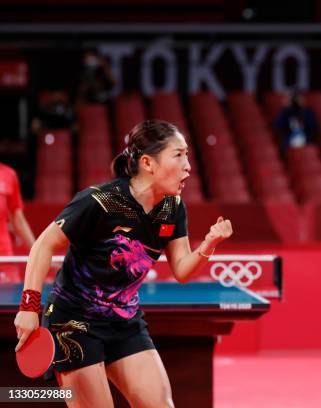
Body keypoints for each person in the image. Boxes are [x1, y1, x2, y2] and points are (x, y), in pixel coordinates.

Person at [14, 120, 232, 407]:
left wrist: (209, 244)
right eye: (178, 155)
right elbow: (43, 245)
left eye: (187, 155)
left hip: (124, 322)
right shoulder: (101, 201)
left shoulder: (172, 207)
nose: (188, 165)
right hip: (74, 323)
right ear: (148, 163)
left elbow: (181, 270)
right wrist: (29, 307)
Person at [0, 162, 35, 281]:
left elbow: (18, 219)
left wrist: (37, 251)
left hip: (4, 258)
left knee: (8, 299)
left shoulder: (8, 174)